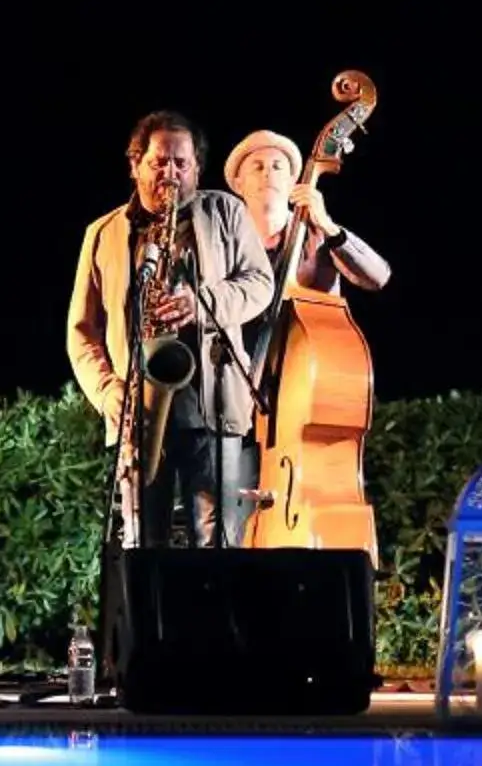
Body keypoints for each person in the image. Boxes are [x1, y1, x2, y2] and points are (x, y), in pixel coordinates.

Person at [66, 112, 277, 548]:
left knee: (218, 542)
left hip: (213, 409)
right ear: (135, 164)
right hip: (138, 414)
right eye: (160, 162)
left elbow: (260, 284)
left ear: (197, 169)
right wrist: (108, 392)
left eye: (182, 164)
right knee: (144, 544)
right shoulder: (102, 234)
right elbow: (81, 331)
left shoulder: (225, 211)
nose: (171, 174)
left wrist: (201, 303)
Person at [223, 128, 393, 300]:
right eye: (257, 167)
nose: (268, 173)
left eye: (277, 167)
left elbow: (378, 278)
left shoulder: (318, 233)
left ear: (292, 182)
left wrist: (329, 228)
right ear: (239, 185)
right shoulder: (223, 241)